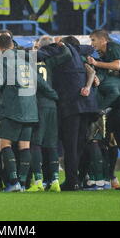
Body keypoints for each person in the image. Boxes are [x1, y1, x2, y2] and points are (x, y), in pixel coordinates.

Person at [0, 34, 59, 192]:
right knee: (24, 146)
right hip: (30, 108)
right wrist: (55, 95)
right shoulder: (26, 59)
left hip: (12, 108)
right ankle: (23, 184)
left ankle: (14, 182)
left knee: (4, 144)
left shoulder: (3, 60)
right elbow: (40, 81)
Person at [38, 35, 99, 191]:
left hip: (70, 105)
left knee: (70, 145)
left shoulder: (56, 49)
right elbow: (90, 48)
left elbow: (40, 54)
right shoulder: (78, 51)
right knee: (80, 144)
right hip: (87, 105)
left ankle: (72, 181)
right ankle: (78, 178)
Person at [27, 36, 69, 193]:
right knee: (51, 144)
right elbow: (67, 55)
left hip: (37, 105)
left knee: (35, 143)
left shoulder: (29, 62)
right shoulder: (51, 62)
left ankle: (38, 180)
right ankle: (55, 181)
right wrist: (62, 45)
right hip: (52, 107)